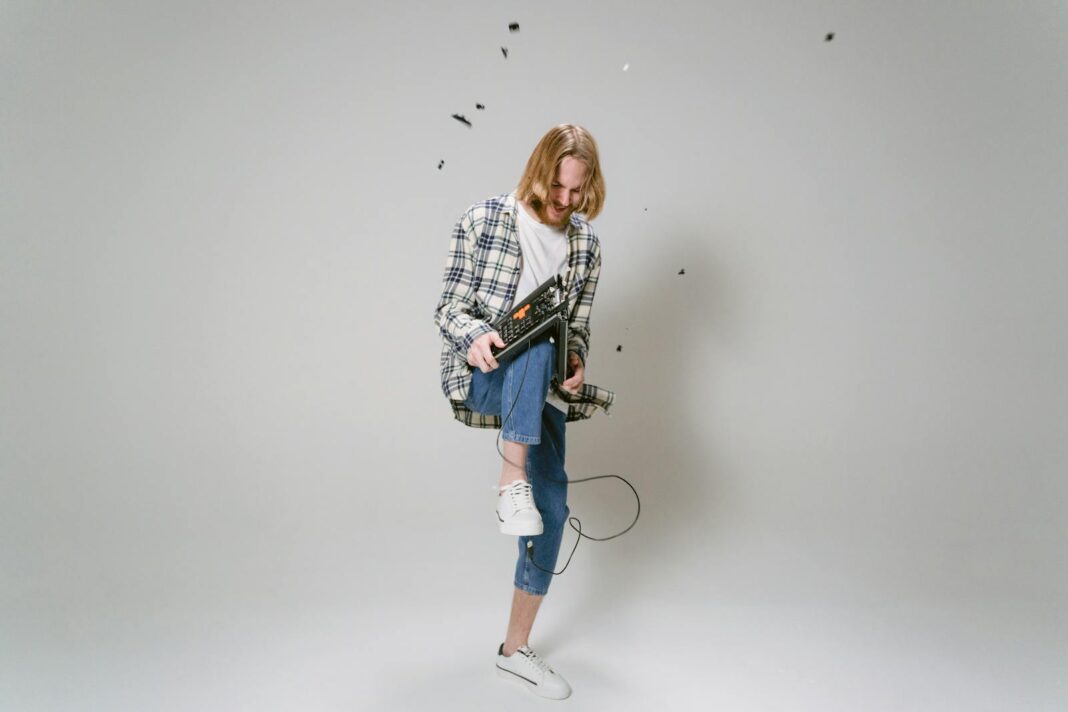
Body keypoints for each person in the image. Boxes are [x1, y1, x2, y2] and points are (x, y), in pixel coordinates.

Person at [433, 124, 614, 699]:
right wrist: (473, 337)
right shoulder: (485, 218)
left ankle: (515, 651)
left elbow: (577, 326)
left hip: (542, 392)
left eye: (576, 193)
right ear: (539, 173)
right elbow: (449, 304)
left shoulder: (586, 246)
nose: (564, 203)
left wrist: (577, 359)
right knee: (531, 337)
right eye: (557, 189)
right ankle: (510, 478)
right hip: (489, 376)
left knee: (553, 512)